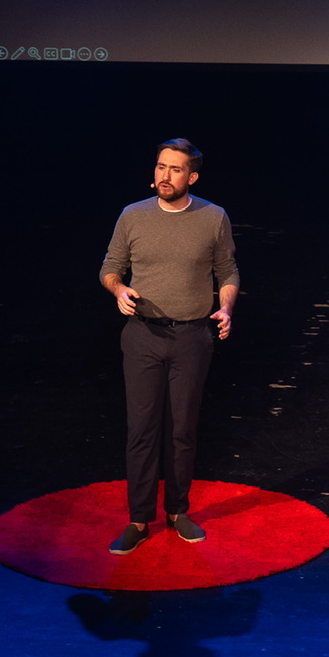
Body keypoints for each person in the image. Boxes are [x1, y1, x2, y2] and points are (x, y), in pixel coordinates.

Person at [100, 137, 239, 554]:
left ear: (191, 176)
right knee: (141, 430)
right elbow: (110, 267)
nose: (165, 175)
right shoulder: (133, 216)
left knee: (182, 430)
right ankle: (139, 519)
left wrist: (227, 308)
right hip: (142, 335)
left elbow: (228, 271)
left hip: (192, 337)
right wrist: (119, 289)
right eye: (161, 167)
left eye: (175, 169)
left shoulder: (213, 217)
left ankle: (177, 511)